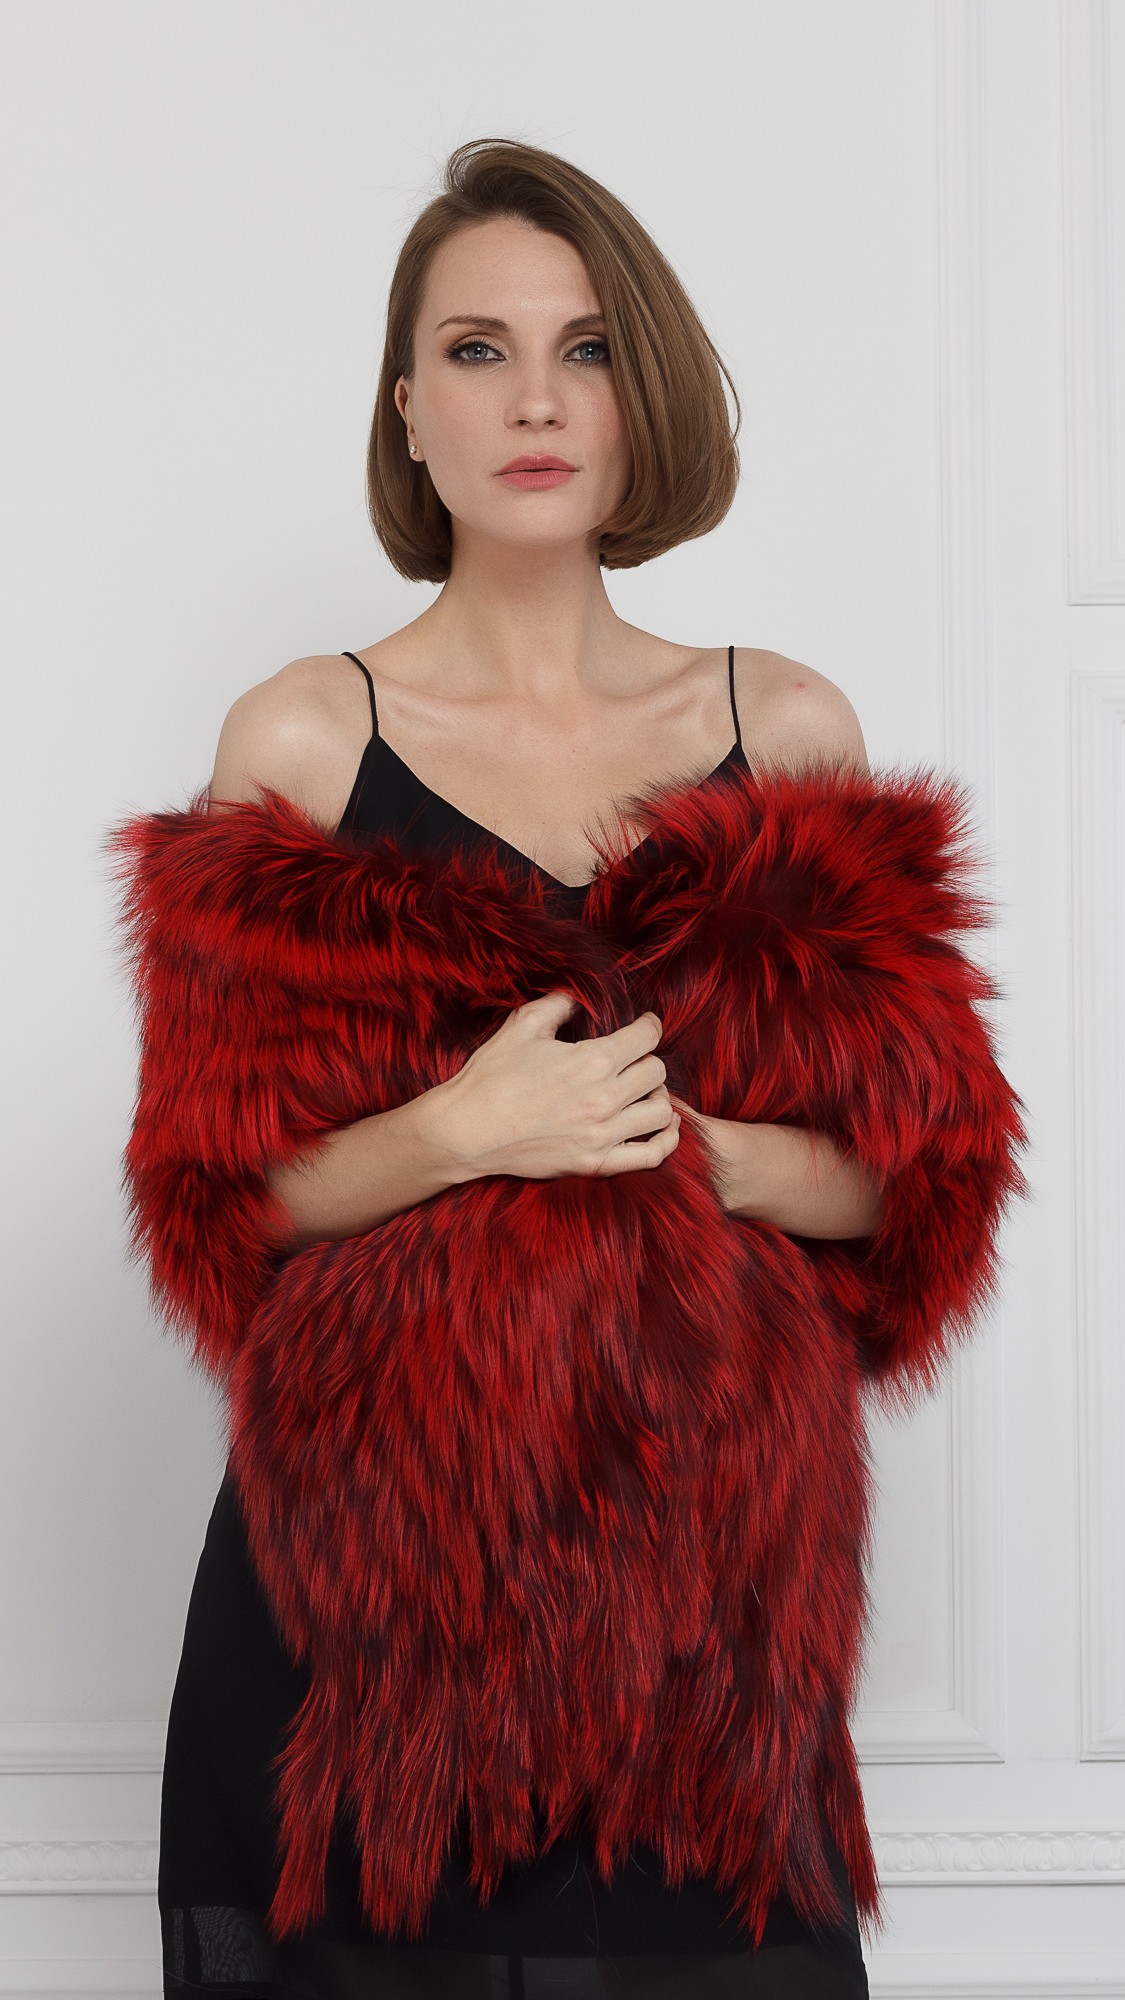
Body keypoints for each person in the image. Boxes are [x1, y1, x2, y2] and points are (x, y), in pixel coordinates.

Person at [157, 137, 882, 1998]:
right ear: (408, 409)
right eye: (476, 351)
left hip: (701, 1629)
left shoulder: (784, 724)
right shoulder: (303, 735)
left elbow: (901, 1176)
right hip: (368, 1628)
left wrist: (694, 1149)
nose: (536, 401)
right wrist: (461, 1129)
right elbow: (219, 1195)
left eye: (587, 349)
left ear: (649, 391)